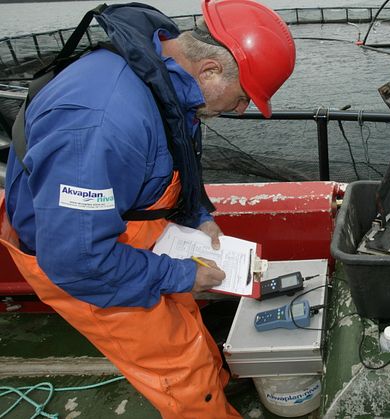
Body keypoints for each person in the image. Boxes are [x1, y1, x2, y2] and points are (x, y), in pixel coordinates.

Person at [0, 0, 295, 417]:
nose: (244, 109)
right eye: (245, 96)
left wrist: (196, 215)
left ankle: (219, 384)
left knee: (188, 316)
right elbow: (77, 261)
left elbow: (172, 149)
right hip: (83, 258)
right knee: (179, 367)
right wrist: (179, 274)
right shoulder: (101, 123)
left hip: (120, 225)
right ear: (210, 69)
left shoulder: (167, 70)